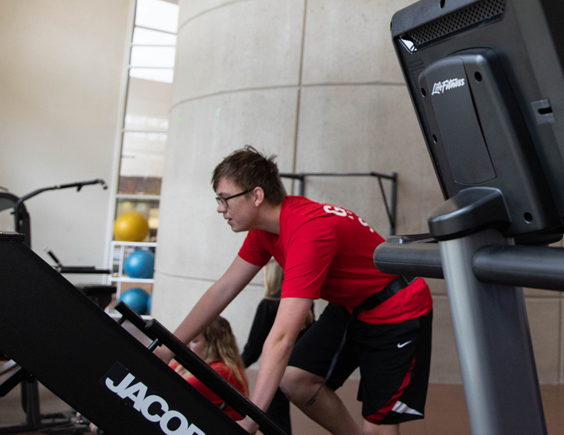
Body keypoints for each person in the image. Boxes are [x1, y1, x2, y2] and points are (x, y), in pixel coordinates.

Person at [161, 147, 433, 435]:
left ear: (256, 196)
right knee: (294, 379)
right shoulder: (264, 230)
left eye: (224, 198)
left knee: (377, 428)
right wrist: (167, 349)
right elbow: (223, 289)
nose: (220, 208)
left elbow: (282, 337)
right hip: (351, 305)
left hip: (397, 310)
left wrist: (251, 421)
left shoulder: (308, 232)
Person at [241, 260, 311, 434]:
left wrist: (233, 367)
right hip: (297, 371)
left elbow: (252, 349)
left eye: (264, 275)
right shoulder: (305, 308)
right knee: (280, 422)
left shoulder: (268, 305)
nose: (262, 280)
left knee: (273, 422)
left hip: (275, 371)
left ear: (271, 277)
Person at [171, 316, 251, 420]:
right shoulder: (191, 363)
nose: (187, 345)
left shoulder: (223, 371)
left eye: (194, 341)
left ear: (213, 344)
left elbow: (173, 390)